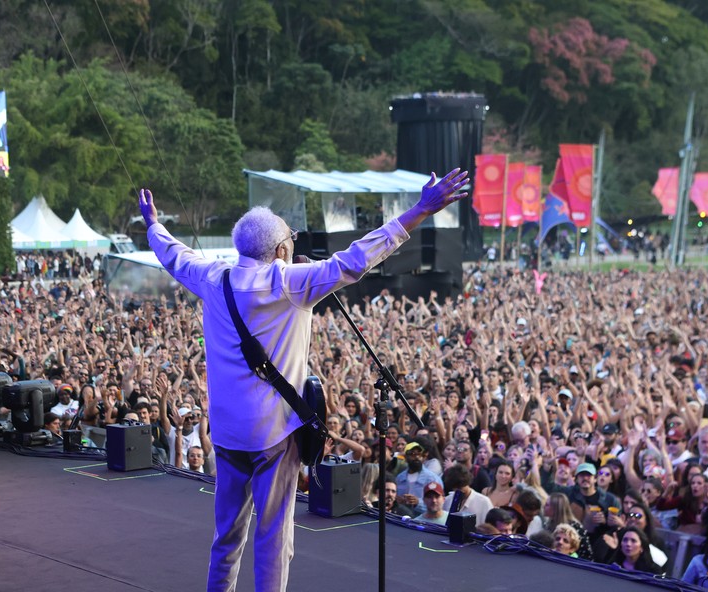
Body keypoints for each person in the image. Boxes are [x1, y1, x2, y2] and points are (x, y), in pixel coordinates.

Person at [139, 168, 469, 592]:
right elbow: (357, 259)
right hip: (274, 433)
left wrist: (153, 223)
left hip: (224, 430)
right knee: (274, 538)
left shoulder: (211, 277)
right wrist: (421, 210)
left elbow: (173, 253)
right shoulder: (288, 283)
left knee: (226, 535)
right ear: (280, 249)